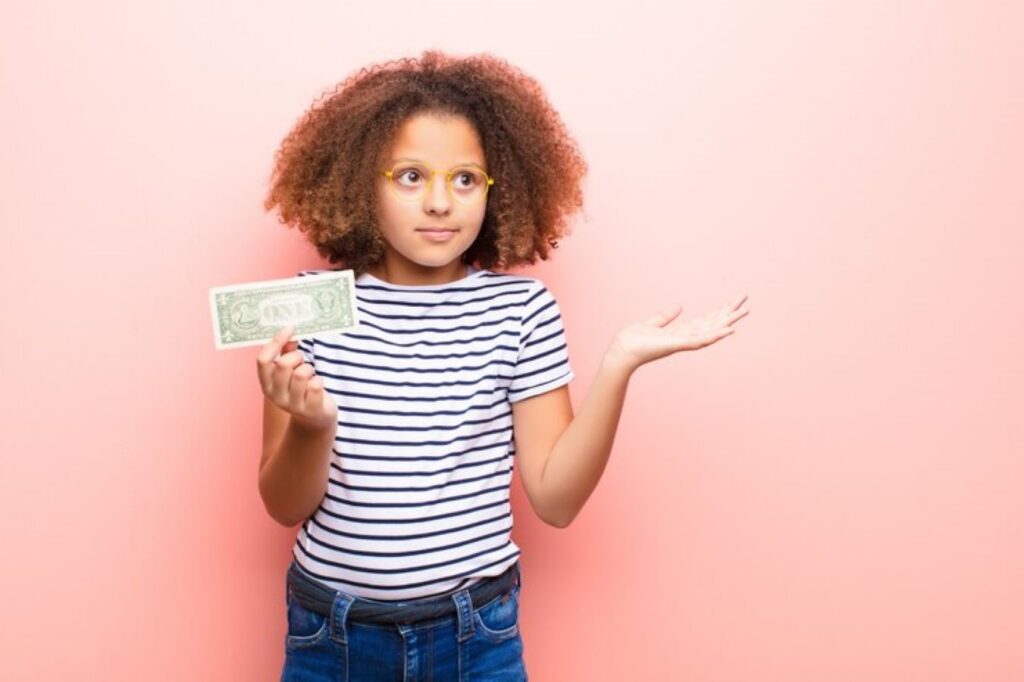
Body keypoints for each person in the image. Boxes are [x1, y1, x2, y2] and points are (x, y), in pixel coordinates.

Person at [255, 49, 749, 681]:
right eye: (410, 176)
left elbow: (556, 500)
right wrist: (312, 424)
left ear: (497, 187)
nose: (440, 202)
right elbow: (283, 504)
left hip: (474, 637)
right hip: (333, 636)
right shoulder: (307, 310)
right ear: (360, 181)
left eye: (465, 179)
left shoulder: (521, 311)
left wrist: (618, 366)